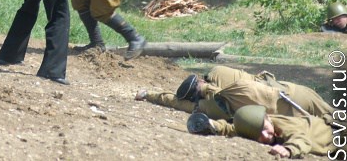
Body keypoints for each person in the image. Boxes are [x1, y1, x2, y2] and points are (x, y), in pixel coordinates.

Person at [136, 66, 333, 120]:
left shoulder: (212, 106)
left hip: (291, 113)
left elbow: (176, 102)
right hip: (297, 91)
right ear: (202, 80)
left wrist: (148, 95)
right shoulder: (221, 73)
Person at [187, 105, 336, 158]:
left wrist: (288, 149)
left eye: (265, 129)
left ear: (268, 119)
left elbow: (302, 140)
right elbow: (234, 128)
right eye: (259, 134)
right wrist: (213, 125)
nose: (266, 135)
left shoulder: (284, 126)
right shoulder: (258, 124)